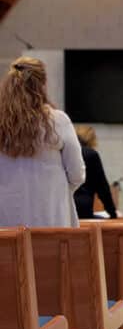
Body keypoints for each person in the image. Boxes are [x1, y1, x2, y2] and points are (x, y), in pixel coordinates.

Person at [0, 57, 85, 228]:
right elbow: (77, 174)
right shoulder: (58, 120)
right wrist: (55, 190)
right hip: (51, 217)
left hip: (6, 220)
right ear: (43, 85)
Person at [73, 125, 118, 219]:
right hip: (83, 209)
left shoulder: (64, 153)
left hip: (63, 207)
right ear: (92, 139)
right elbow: (102, 188)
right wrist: (112, 213)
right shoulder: (91, 154)